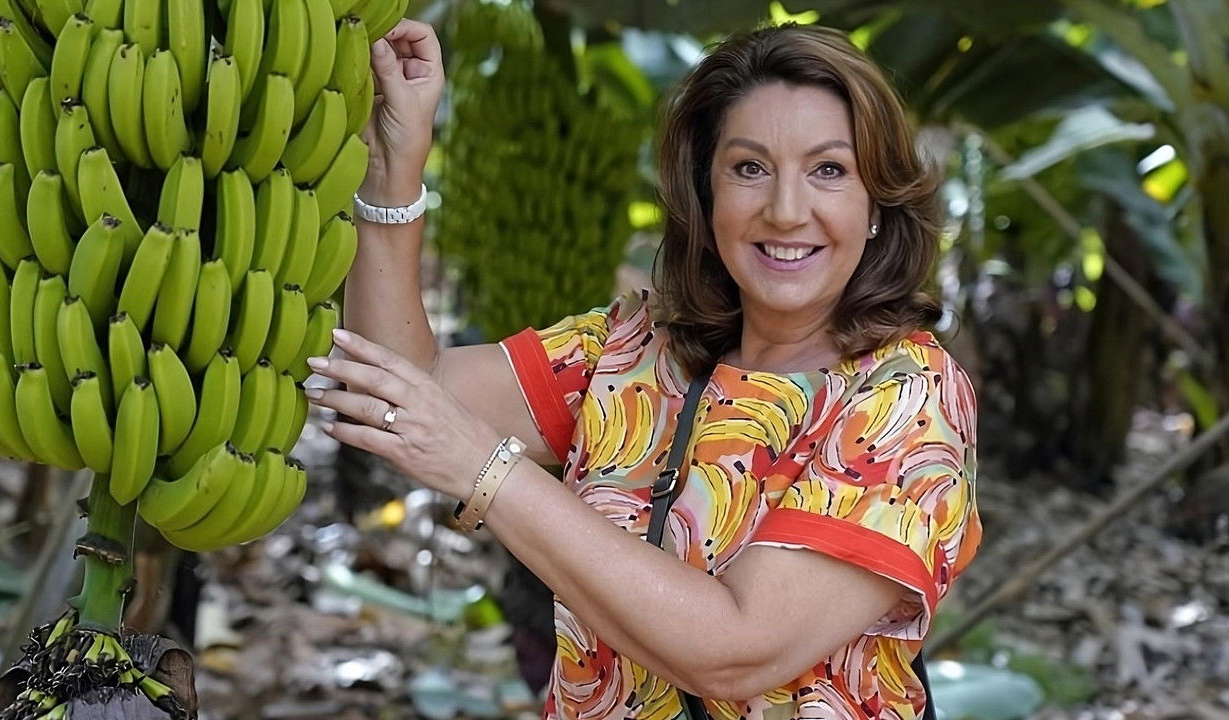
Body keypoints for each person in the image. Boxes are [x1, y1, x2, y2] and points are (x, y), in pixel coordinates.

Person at [305, 18, 982, 720]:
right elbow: (395, 387)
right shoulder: (634, 347)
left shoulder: (908, 398)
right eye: (749, 168)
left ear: (877, 204)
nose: (785, 211)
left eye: (829, 171)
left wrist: (487, 469)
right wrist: (393, 165)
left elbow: (734, 651)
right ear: (706, 192)